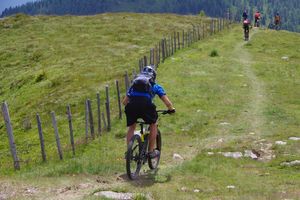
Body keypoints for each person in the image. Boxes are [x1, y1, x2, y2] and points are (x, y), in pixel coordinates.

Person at [123, 65, 175, 158]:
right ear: (153, 77)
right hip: (146, 107)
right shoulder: (155, 86)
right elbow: (167, 102)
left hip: (131, 107)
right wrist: (171, 109)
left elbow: (124, 102)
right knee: (153, 124)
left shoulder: (134, 86)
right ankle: (150, 152)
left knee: (132, 127)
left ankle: (129, 152)